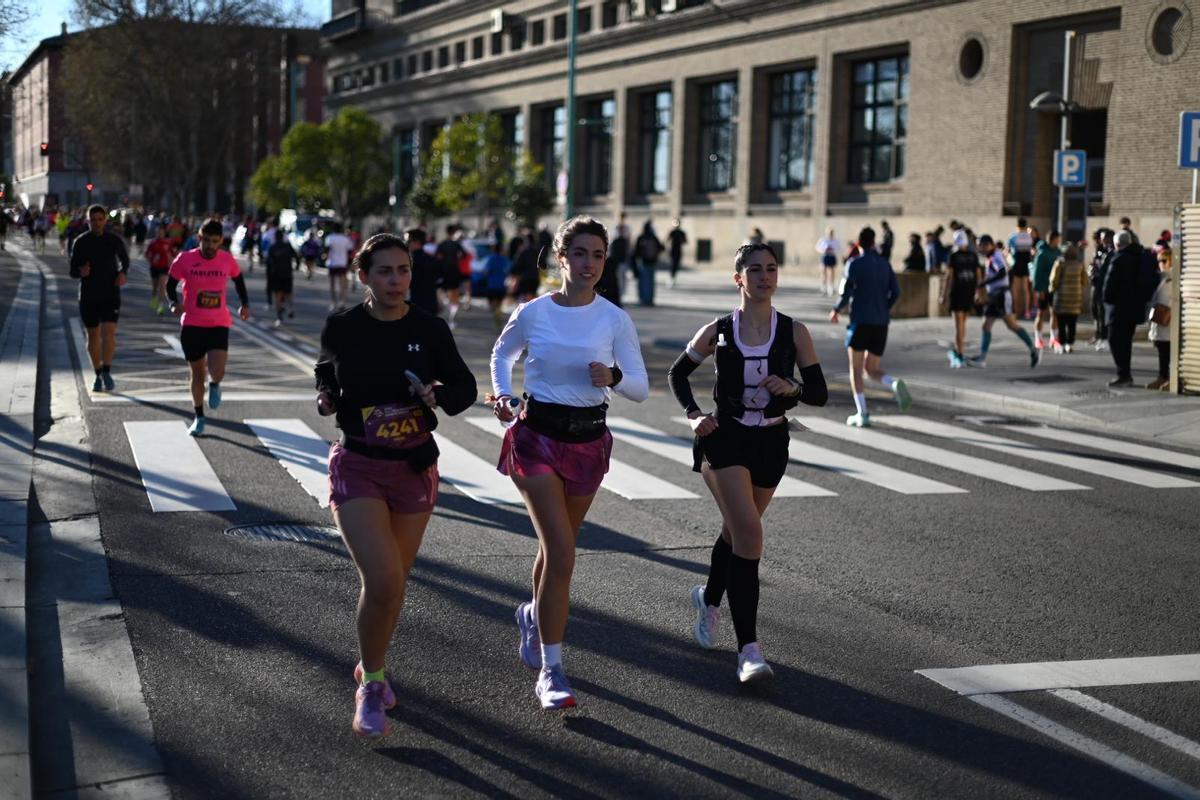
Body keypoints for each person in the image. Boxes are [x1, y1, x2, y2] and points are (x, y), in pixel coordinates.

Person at [315, 233, 477, 738]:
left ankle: (372, 663)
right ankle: (372, 684)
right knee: (383, 581)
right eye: (384, 271)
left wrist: (437, 393)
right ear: (363, 275)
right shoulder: (343, 326)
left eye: (403, 270)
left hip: (413, 468)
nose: (395, 280)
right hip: (359, 465)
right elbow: (327, 368)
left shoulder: (429, 328)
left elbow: (465, 390)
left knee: (394, 587)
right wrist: (326, 394)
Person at [489, 216, 648, 710]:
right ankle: (552, 672)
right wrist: (502, 394)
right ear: (561, 258)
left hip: (588, 441)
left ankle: (533, 615)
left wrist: (613, 375)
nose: (589, 264)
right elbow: (501, 354)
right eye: (580, 253)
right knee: (561, 551)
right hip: (536, 437)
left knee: (557, 548)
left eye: (598, 255)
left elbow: (640, 388)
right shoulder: (534, 312)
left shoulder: (614, 319)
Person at [668, 242, 827, 683]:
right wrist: (695, 414)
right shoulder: (718, 329)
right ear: (738, 279)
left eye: (771, 269)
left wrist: (792, 389)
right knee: (751, 534)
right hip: (725, 438)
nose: (764, 277)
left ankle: (710, 597)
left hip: (772, 441)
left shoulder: (794, 332)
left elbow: (819, 393)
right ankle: (750, 651)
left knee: (736, 531)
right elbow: (677, 373)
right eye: (754, 270)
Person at [166, 219, 251, 436]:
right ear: (199, 238)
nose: (210, 246)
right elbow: (170, 284)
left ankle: (215, 385)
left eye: (215, 241)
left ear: (221, 241)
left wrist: (244, 304)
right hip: (192, 324)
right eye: (206, 240)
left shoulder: (226, 259)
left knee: (217, 371)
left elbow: (238, 279)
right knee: (197, 373)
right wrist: (173, 303)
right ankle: (199, 416)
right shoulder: (185, 259)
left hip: (218, 323)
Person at [829, 227, 910, 427]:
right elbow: (897, 292)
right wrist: (885, 307)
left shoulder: (854, 264)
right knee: (871, 369)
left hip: (860, 322)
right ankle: (893, 383)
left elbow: (845, 292)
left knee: (856, 369)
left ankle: (862, 413)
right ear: (874, 242)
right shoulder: (884, 264)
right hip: (881, 323)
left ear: (858, 244)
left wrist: (836, 310)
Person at [70, 204, 131, 392]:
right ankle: (97, 373)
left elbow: (125, 260)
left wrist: (123, 273)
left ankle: (107, 370)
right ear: (88, 220)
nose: (96, 223)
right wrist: (81, 271)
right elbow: (72, 271)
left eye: (100, 219)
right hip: (89, 295)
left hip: (110, 293)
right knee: (93, 336)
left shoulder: (113, 240)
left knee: (109, 333)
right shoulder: (80, 242)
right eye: (93, 220)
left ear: (105, 220)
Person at [966, 235, 1041, 369]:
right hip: (995, 296)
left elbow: (1002, 273)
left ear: (988, 244)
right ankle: (982, 358)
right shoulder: (992, 257)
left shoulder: (996, 256)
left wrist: (983, 283)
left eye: (981, 246)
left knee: (1012, 325)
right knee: (986, 325)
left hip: (1001, 296)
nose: (980, 249)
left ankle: (1033, 349)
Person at [1102, 230, 1145, 387]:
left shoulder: (1118, 259)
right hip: (1133, 308)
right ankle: (1125, 374)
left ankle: (1123, 374)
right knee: (1126, 342)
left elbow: (1109, 286)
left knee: (1114, 340)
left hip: (1118, 309)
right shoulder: (1138, 257)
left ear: (1117, 244)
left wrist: (1106, 300)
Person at [940, 230, 982, 368]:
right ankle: (960, 351)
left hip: (957, 293)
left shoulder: (953, 256)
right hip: (969, 293)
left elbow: (949, 277)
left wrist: (943, 295)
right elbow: (978, 276)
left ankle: (960, 354)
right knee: (963, 325)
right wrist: (977, 292)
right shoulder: (973, 256)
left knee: (958, 326)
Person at [1048, 242, 1087, 354]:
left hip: (1062, 298)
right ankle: (1070, 343)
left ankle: (1063, 343)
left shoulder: (1060, 263)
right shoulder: (1080, 264)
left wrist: (1052, 290)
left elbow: (1053, 280)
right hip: (1075, 299)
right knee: (1072, 322)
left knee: (1061, 322)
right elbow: (1084, 281)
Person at [1030, 230, 1061, 350]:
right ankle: (1038, 338)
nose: (1059, 241)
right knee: (1040, 313)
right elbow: (1037, 274)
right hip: (1043, 289)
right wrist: (1039, 291)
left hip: (1055, 289)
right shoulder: (1042, 254)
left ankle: (1054, 338)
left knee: (1055, 313)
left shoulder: (1058, 252)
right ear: (1053, 239)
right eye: (1058, 239)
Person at [1147, 248, 1173, 391]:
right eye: (1159, 261)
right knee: (1162, 352)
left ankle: (1170, 378)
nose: (1160, 264)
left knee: (1169, 353)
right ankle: (1162, 377)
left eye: (1163, 260)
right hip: (1160, 322)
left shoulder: (1172, 278)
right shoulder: (1163, 278)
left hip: (1168, 323)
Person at [266, 230, 300, 326]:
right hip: (287, 273)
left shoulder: (272, 248)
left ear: (275, 237)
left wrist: (271, 275)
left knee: (278, 295)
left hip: (277, 275)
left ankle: (279, 317)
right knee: (289, 293)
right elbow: (296, 256)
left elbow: (270, 262)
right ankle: (290, 308)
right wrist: (297, 265)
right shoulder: (287, 246)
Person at [435, 224, 466, 328]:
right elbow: (464, 255)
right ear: (453, 232)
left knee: (444, 292)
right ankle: (452, 317)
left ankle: (447, 309)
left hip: (444, 271)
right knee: (455, 294)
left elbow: (437, 257)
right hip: (454, 271)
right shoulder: (456, 244)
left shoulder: (442, 244)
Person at [403, 228, 440, 315]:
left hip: (414, 305)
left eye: (408, 241)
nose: (406, 244)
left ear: (417, 242)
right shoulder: (432, 259)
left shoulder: (408, 261)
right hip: (431, 304)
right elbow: (438, 282)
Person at [1088, 228, 1113, 351]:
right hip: (1096, 283)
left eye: (1104, 239)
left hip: (1103, 286)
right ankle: (1098, 334)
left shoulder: (1111, 252)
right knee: (1095, 311)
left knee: (1102, 313)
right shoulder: (1099, 251)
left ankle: (1104, 337)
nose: (1101, 241)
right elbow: (1095, 264)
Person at [1006, 218, 1035, 319]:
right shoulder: (1029, 236)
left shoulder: (1013, 237)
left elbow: (1007, 251)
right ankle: (1027, 311)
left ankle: (1016, 310)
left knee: (1015, 289)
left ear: (1017, 226)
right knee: (1026, 289)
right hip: (1026, 264)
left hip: (1016, 264)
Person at [145, 226, 175, 315]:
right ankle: (154, 300)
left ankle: (160, 306)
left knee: (162, 287)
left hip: (164, 267)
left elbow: (172, 254)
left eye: (161, 232)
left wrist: (171, 260)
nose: (160, 234)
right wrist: (152, 259)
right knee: (155, 287)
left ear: (164, 233)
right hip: (154, 267)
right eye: (158, 232)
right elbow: (147, 254)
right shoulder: (153, 243)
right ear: (156, 233)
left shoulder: (168, 243)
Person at [324, 223, 354, 311]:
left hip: (332, 263)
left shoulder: (330, 238)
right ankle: (342, 302)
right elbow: (350, 251)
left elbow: (327, 249)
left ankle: (333, 302)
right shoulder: (345, 239)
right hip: (342, 263)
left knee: (332, 284)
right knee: (342, 284)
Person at [481, 243, 511, 329]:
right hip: (501, 285)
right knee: (499, 303)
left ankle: (496, 315)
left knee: (492, 304)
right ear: (501, 250)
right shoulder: (505, 260)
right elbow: (508, 271)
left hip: (491, 285)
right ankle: (497, 316)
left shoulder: (490, 259)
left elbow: (486, 271)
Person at [633, 221, 662, 306]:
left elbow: (636, 251)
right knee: (651, 283)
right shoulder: (654, 237)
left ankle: (642, 300)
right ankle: (650, 300)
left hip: (643, 263)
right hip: (652, 263)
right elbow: (661, 248)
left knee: (643, 283)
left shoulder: (641, 237)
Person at [815, 228, 841, 296]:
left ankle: (831, 288)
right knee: (823, 273)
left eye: (831, 232)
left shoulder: (835, 241)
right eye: (829, 232)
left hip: (831, 256)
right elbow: (817, 247)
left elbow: (838, 248)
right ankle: (824, 288)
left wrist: (832, 250)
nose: (830, 234)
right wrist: (823, 250)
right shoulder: (823, 239)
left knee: (831, 273)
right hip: (825, 256)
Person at [667, 218, 687, 288]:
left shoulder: (682, 233)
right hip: (673, 250)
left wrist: (680, 239)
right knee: (672, 265)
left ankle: (673, 277)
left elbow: (685, 241)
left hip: (678, 251)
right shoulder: (672, 232)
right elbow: (667, 240)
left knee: (676, 265)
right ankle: (671, 278)